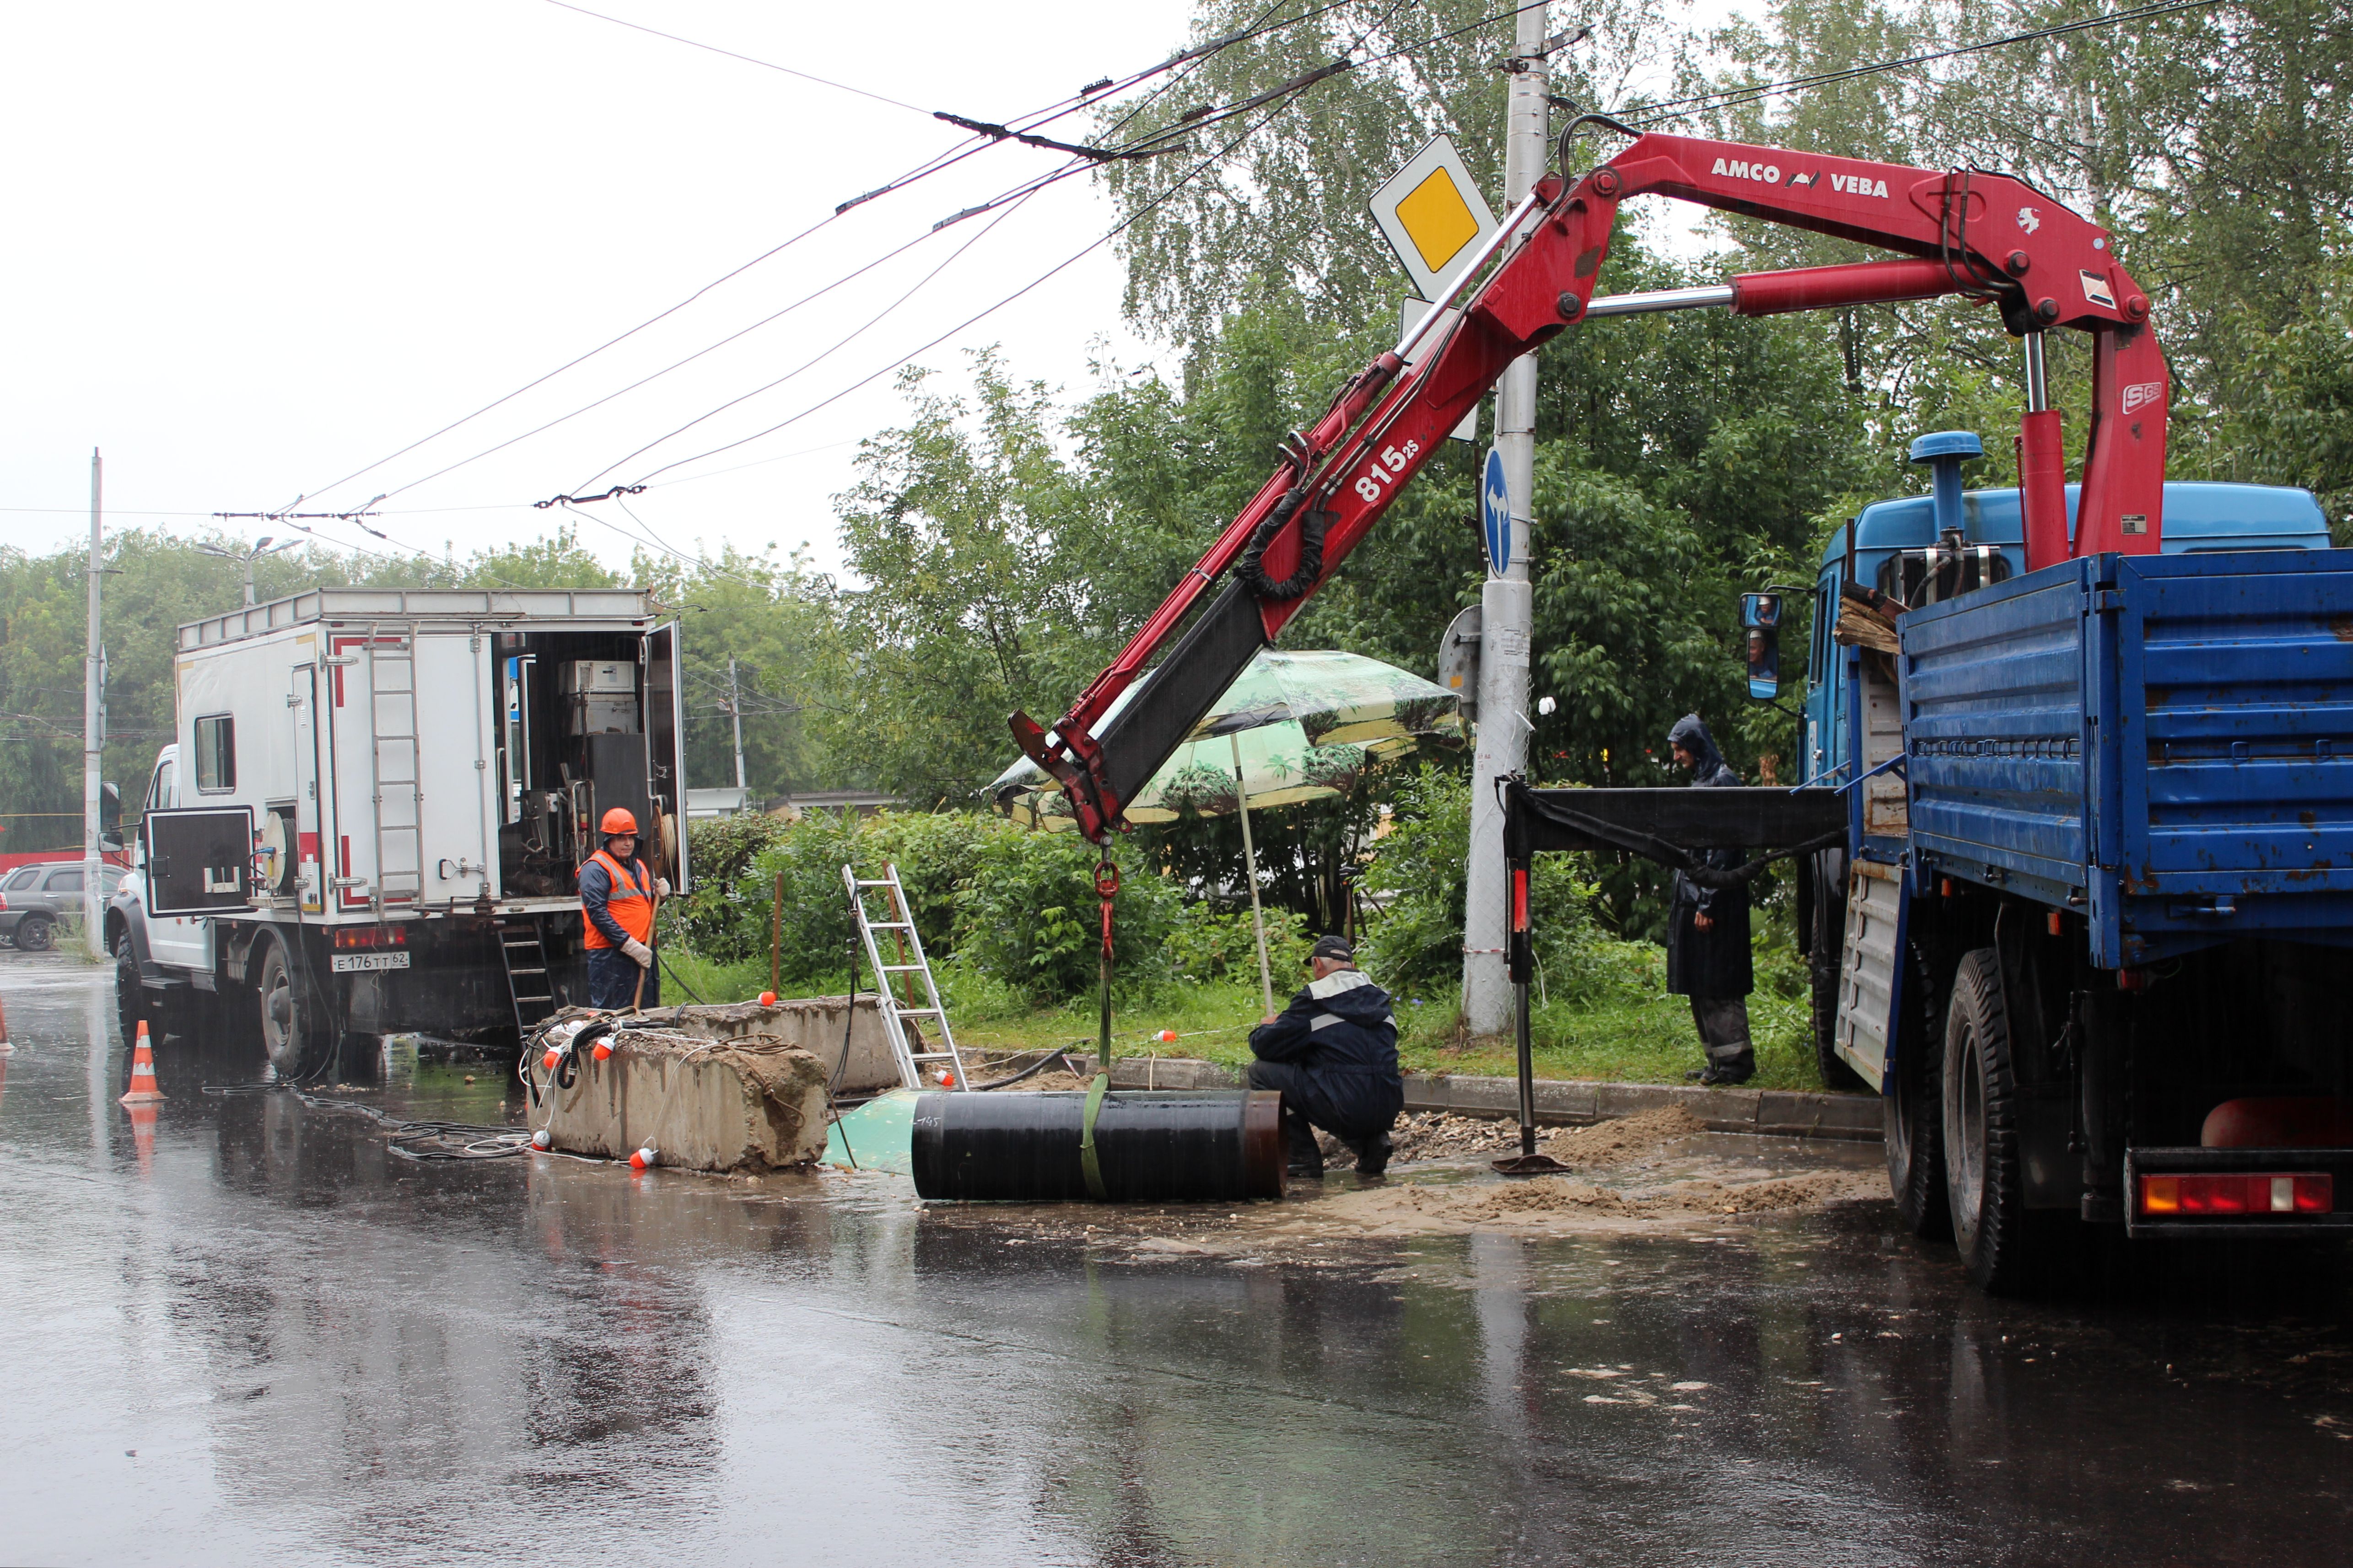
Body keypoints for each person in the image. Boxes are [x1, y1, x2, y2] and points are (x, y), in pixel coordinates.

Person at [1247, 934, 1403, 1178]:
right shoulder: (1380, 999)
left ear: (1317, 964)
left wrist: (1268, 1026)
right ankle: (1370, 1144)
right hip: (1388, 1106)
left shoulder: (1316, 997)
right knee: (1345, 1076)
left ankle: (1302, 1159)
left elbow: (1265, 1047)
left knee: (1261, 1071)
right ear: (1352, 965)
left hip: (1347, 1105)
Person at [1664, 713, 1755, 1085]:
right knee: (1700, 984)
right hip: (1693, 898)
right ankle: (1717, 1062)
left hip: (1713, 902)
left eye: (1679, 750)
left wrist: (1707, 903)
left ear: (1695, 747)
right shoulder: (1705, 780)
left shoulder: (1723, 781)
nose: (1676, 758)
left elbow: (1725, 849)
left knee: (1718, 984)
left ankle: (1735, 1064)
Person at [578, 807, 668, 1012]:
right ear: (609, 839)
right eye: (620, 838)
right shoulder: (595, 869)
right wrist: (630, 946)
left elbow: (641, 906)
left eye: (630, 837)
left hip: (643, 951)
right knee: (614, 1016)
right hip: (611, 956)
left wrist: (660, 897)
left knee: (647, 1013)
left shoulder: (639, 866)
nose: (627, 843)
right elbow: (598, 915)